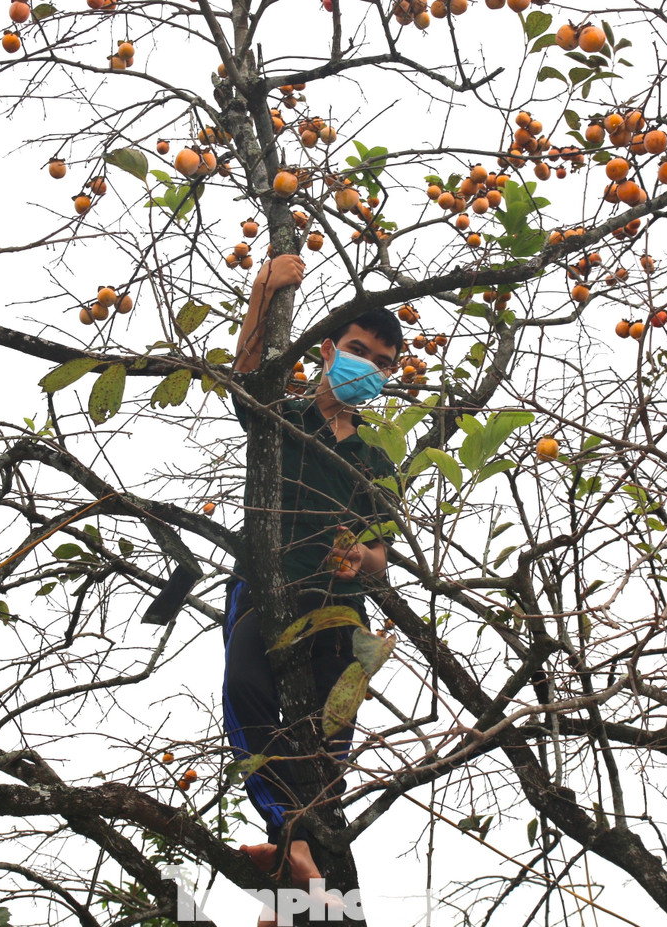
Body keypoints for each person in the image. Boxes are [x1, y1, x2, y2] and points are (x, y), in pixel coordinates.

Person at [223, 253, 404, 903]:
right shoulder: (285, 416)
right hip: (267, 588)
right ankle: (288, 838)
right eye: (359, 350)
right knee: (244, 691)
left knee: (327, 751)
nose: (369, 368)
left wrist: (364, 557)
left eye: (382, 362)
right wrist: (263, 288)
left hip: (340, 611)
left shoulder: (377, 457)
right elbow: (245, 374)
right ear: (328, 349)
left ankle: (292, 862)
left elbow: (383, 549)